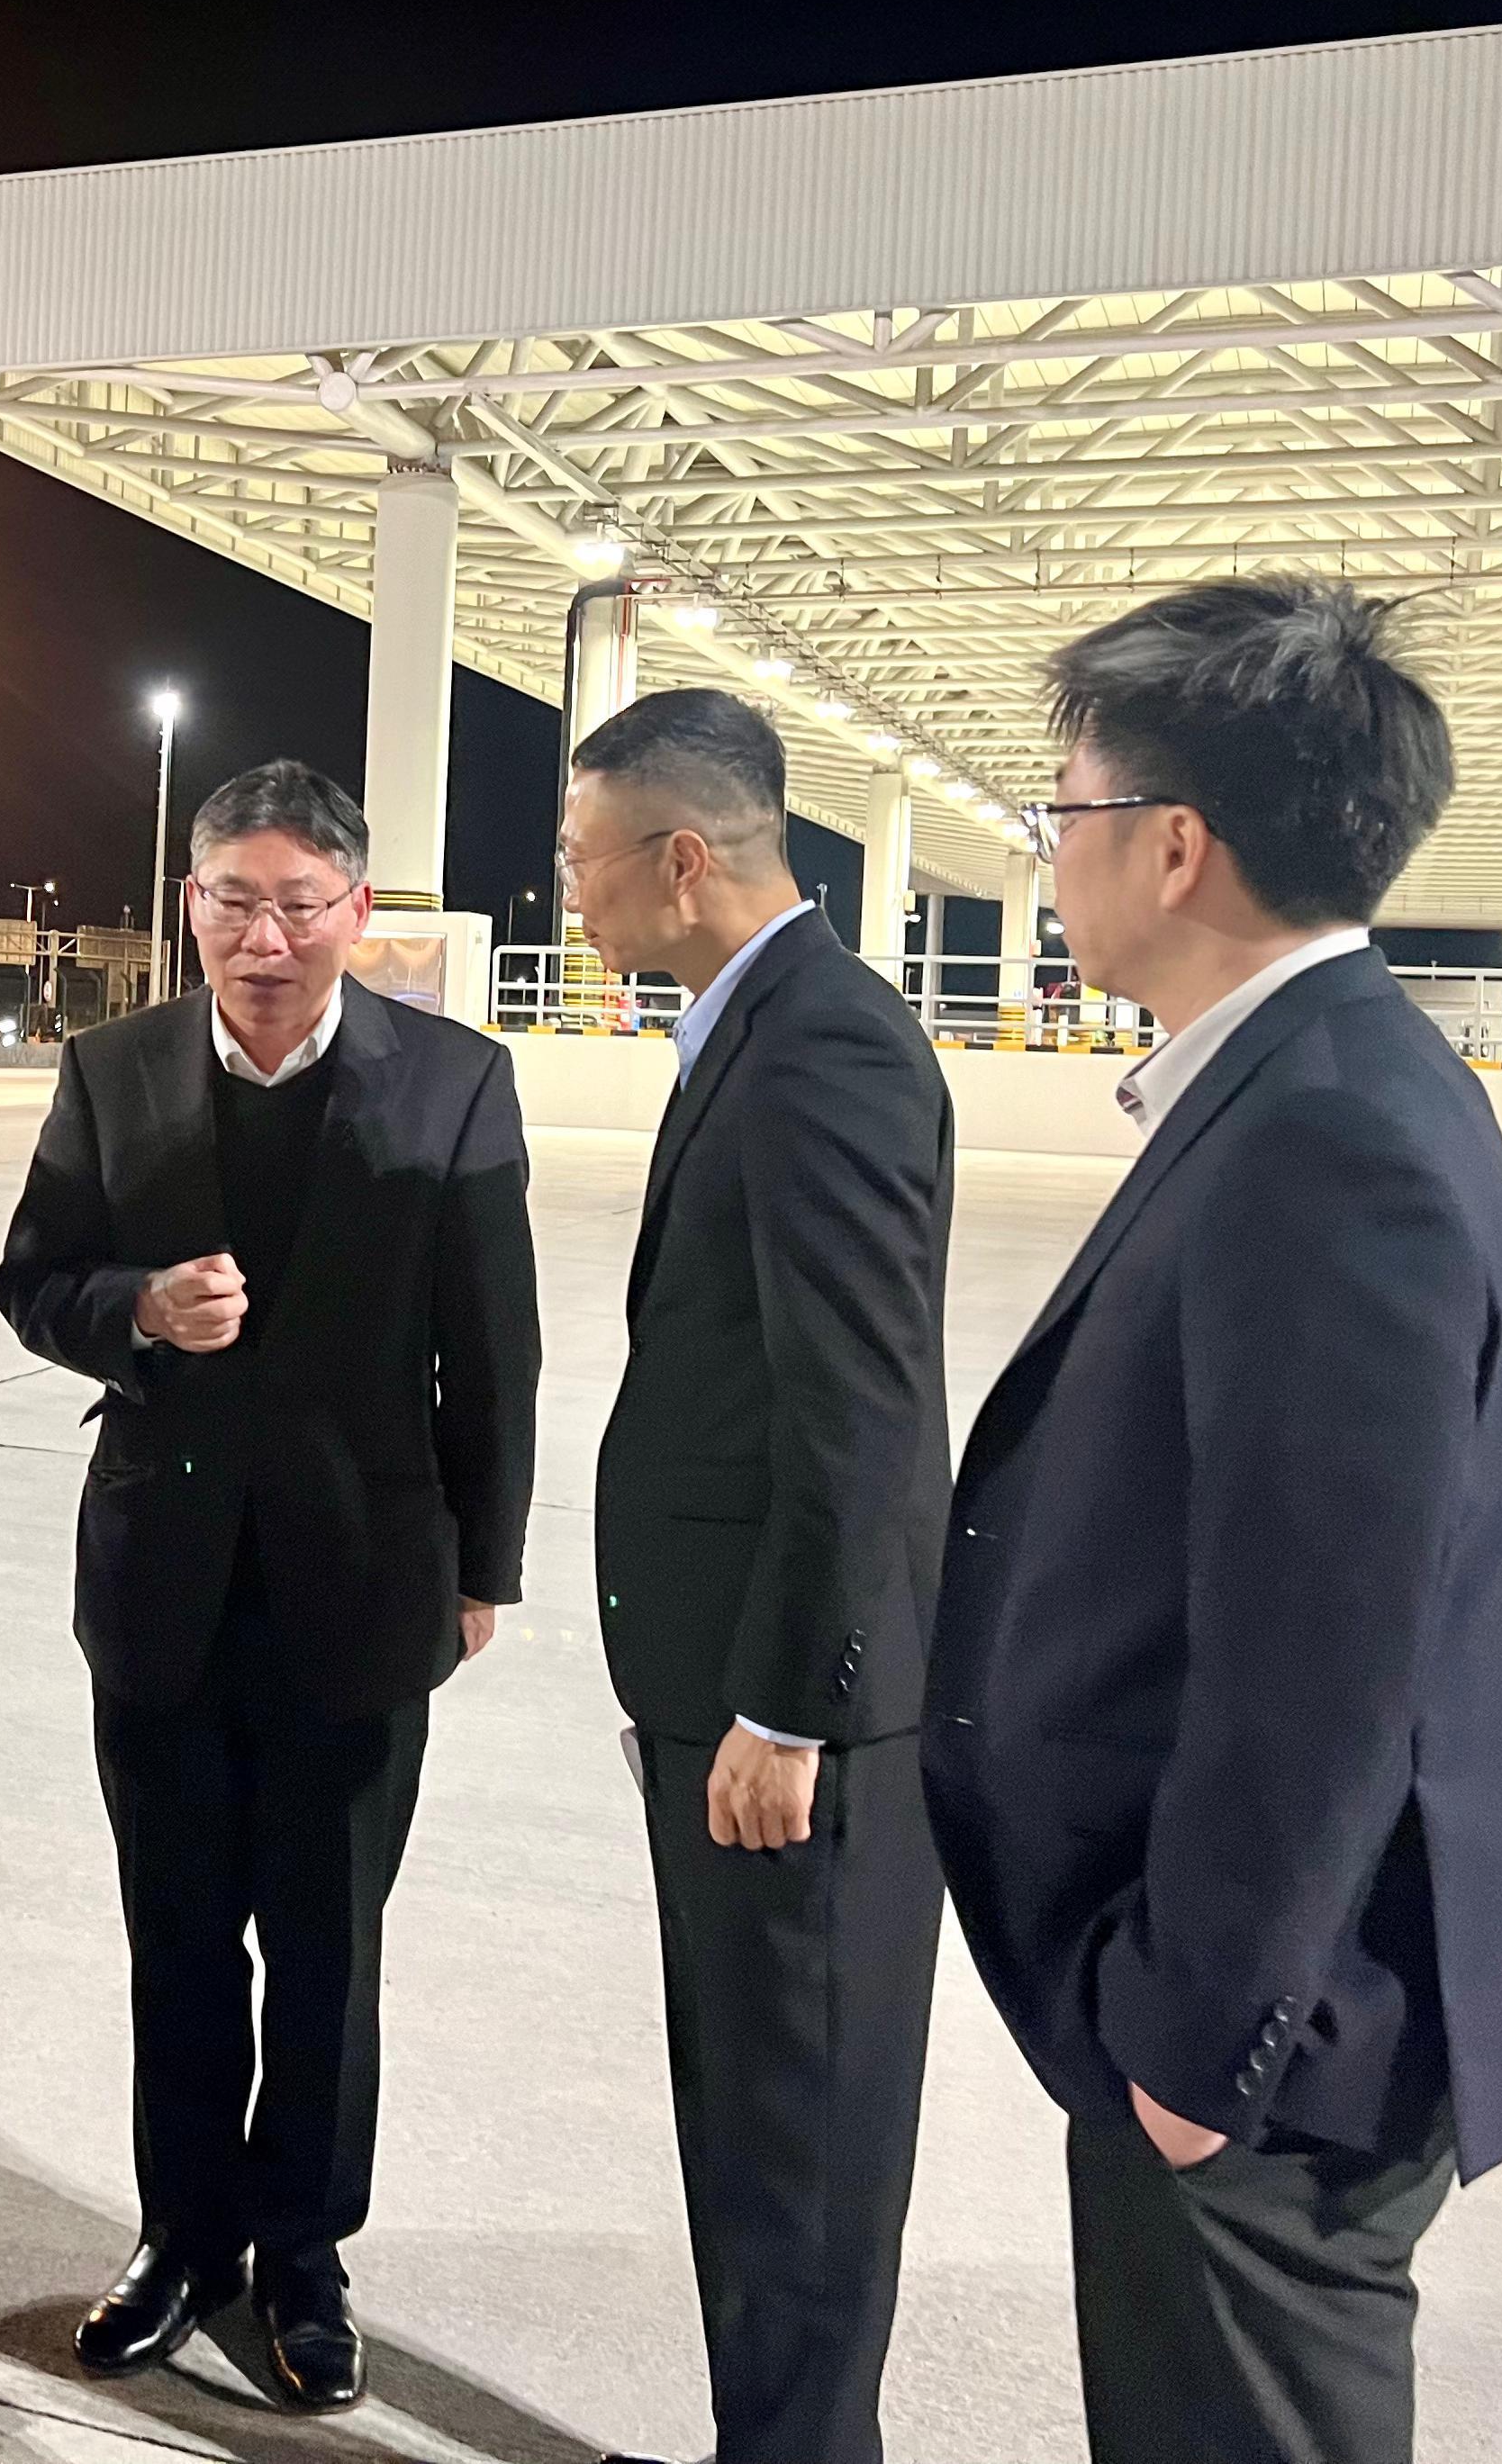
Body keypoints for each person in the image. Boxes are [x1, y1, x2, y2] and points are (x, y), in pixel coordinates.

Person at [925, 579, 1502, 2464]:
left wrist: (1196, 2046)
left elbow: (1325, 1646)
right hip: (1255, 2024)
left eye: (1067, 811)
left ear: (1174, 844)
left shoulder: (1328, 1133)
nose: (1051, 855)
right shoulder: (1316, 1082)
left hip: (1267, 2061)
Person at [0, 760, 539, 2412]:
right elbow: (33, 1276)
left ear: (357, 913)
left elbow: (492, 1351)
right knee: (175, 1939)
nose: (268, 934)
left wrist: (486, 1563)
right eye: (235, 899)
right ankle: (181, 2238)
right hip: (161, 1579)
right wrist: (136, 1310)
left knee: (326, 1946)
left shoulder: (453, 1083)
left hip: (365, 1585)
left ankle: (302, 2252)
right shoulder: (115, 1068)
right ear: (192, 908)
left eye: (303, 902)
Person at [561, 689, 955, 2464]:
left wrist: (790, 1702)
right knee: (751, 2123)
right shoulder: (762, 1026)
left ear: (683, 858)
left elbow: (858, 1412)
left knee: (797, 2148)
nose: (570, 895)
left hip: (786, 1720)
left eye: (582, 858)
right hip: (725, 1690)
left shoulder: (824, 1047)